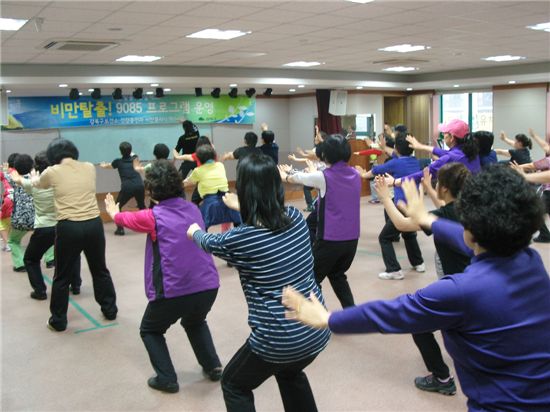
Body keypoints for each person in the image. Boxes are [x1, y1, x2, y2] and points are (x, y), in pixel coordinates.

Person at [282, 164, 550, 411]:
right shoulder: (531, 260)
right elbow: (463, 236)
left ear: (471, 228)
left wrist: (329, 319)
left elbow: (392, 313)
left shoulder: (460, 291)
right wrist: (427, 219)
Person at [188, 153, 330, 412]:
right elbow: (267, 217)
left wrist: (192, 230)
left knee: (234, 383)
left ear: (244, 190)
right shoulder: (296, 217)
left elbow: (208, 241)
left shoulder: (241, 238)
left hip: (278, 339)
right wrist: (242, 206)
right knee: (290, 373)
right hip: (316, 328)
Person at [105, 159, 222, 394]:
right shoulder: (194, 209)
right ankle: (213, 366)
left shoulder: (153, 216)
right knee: (195, 321)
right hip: (208, 286)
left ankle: (167, 378)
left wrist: (114, 212)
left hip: (175, 290)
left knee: (150, 330)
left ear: (152, 190)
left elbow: (125, 219)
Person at [375, 162, 471, 395]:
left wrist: (385, 197)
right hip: (476, 283)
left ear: (445, 188)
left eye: (438, 182)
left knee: (416, 319)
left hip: (459, 288)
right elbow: (439, 213)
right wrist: (427, 188)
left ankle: (441, 378)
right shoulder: (467, 209)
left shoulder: (442, 214)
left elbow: (401, 224)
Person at [31, 138, 117, 332]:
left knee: (62, 276)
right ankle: (110, 310)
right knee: (100, 269)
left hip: (69, 227)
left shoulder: (52, 172)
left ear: (53, 155)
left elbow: (37, 184)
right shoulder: (88, 167)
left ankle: (59, 321)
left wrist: (24, 178)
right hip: (94, 224)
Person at [279, 134, 361, 308]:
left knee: (311, 279)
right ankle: (352, 315)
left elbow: (299, 178)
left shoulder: (324, 177)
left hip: (330, 241)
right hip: (352, 241)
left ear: (325, 156)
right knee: (337, 275)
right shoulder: (355, 174)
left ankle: (320, 318)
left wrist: (286, 175)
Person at [10, 152, 81, 300]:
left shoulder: (34, 184)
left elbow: (18, 179)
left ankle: (40, 291)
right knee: (73, 254)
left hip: (44, 228)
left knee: (30, 259)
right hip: (65, 225)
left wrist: (16, 171)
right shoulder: (62, 183)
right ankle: (75, 285)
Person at [356, 133, 425, 280]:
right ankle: (418, 263)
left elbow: (376, 170)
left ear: (397, 150)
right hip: (414, 206)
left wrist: (362, 175)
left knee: (384, 238)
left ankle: (394, 269)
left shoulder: (396, 163)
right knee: (408, 233)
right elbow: (392, 154)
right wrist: (383, 147)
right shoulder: (415, 161)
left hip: (400, 207)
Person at [394, 119, 480, 187]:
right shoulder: (471, 151)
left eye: (444, 133)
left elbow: (426, 173)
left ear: (452, 137)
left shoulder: (450, 157)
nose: (443, 135)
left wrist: (395, 181)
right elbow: (444, 153)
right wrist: (421, 146)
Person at [184, 145, 241, 230]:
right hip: (227, 199)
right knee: (237, 220)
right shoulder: (220, 165)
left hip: (210, 203)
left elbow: (187, 183)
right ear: (214, 156)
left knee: (202, 223)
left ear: (199, 159)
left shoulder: (198, 171)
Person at [100, 142, 145, 236]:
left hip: (127, 187)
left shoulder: (118, 162)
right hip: (139, 185)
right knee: (141, 205)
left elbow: (110, 166)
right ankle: (146, 225)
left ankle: (120, 229)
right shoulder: (135, 158)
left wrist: (103, 166)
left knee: (117, 206)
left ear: (120, 152)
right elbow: (133, 154)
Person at [7, 154, 35, 272]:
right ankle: (50, 259)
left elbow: (5, 175)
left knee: (13, 240)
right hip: (37, 218)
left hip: (20, 219)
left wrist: (7, 169)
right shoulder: (36, 179)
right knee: (48, 237)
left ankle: (20, 264)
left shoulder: (13, 179)